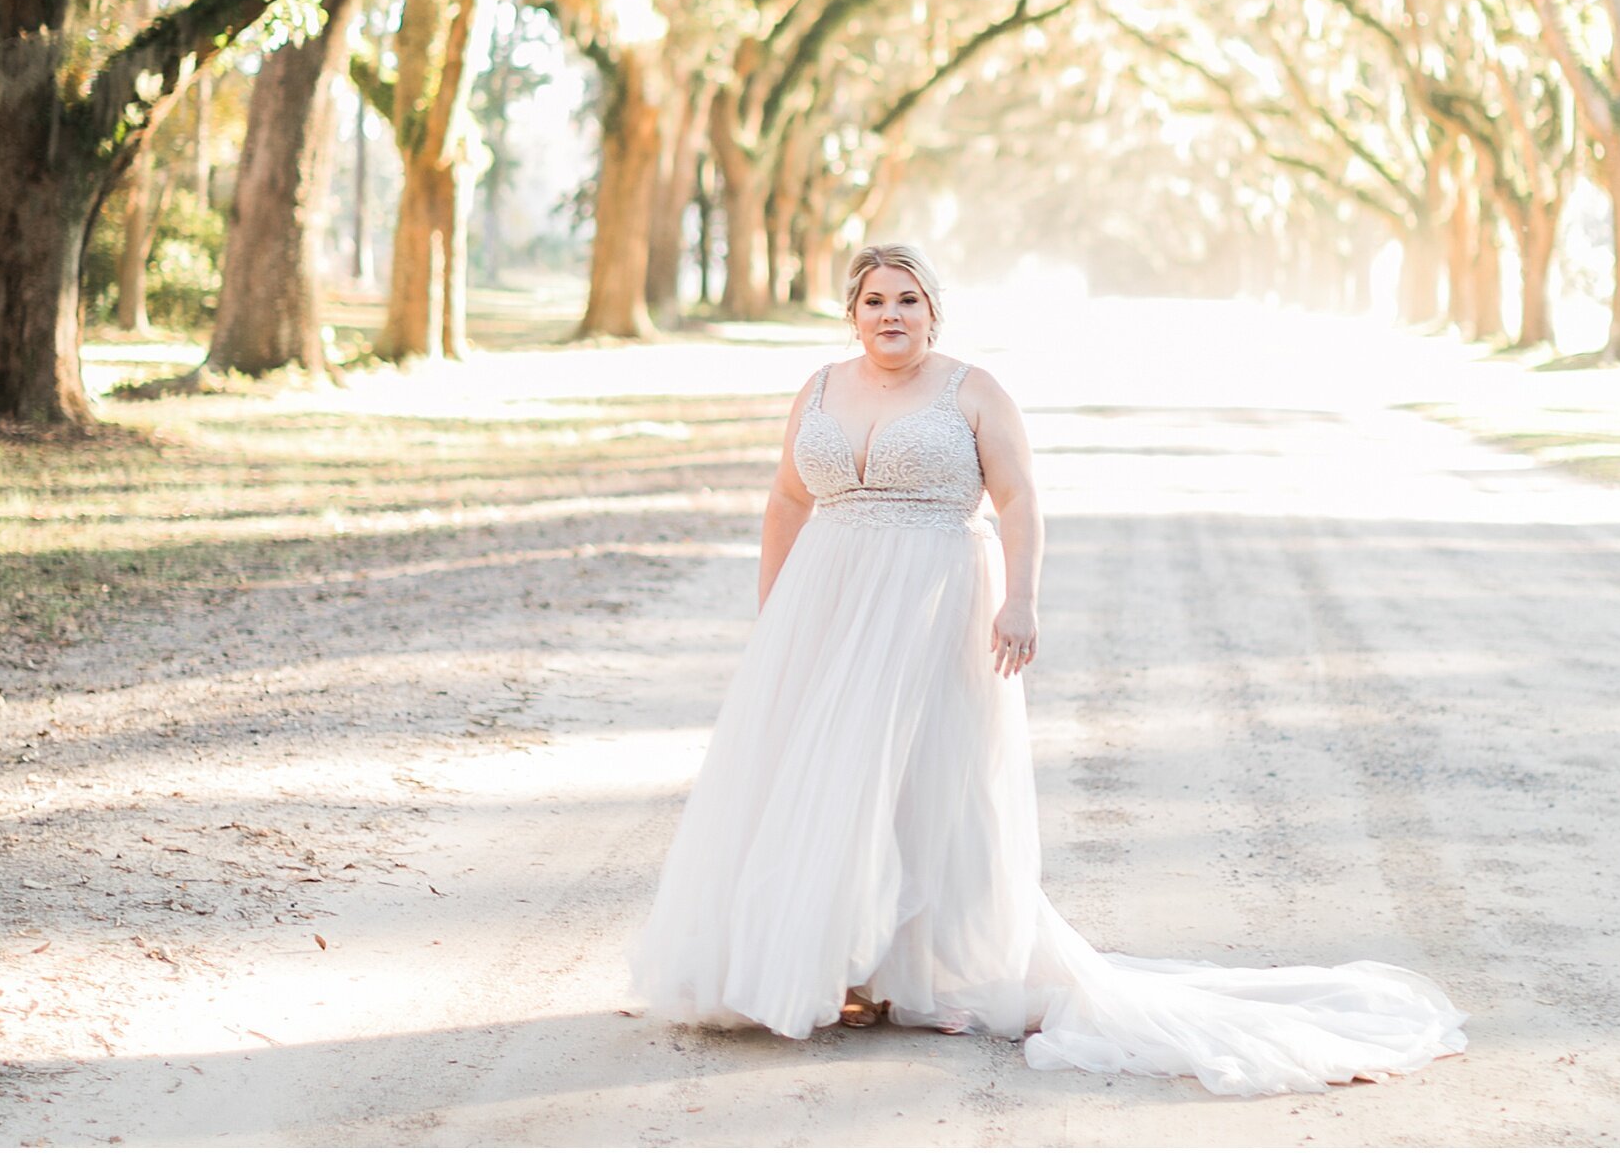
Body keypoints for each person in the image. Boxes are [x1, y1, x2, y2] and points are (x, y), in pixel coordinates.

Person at [626, 244, 1467, 1095]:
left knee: (917, 781)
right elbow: (787, 499)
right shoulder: (817, 389)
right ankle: (832, 966)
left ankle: (912, 969)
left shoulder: (974, 390)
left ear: (932, 312)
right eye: (875, 299)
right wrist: (775, 613)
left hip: (930, 601)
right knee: (816, 777)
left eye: (908, 299)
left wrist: (1020, 600)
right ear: (852, 312)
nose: (891, 313)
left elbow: (1020, 499)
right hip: (827, 603)